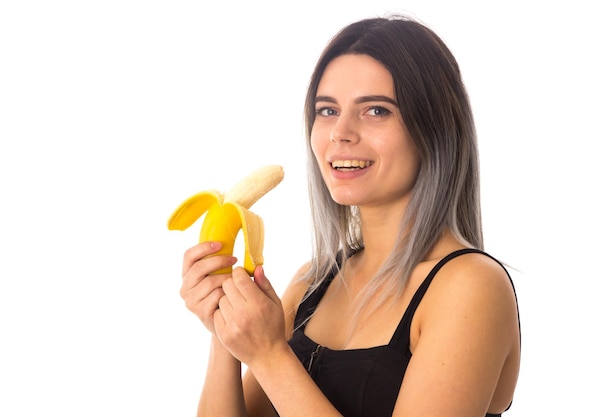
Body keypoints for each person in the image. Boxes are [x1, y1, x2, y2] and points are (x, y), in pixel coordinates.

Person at [178, 14, 521, 417]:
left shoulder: (471, 286)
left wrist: (271, 356)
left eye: (375, 110)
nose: (341, 132)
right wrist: (226, 336)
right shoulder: (313, 281)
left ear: (434, 128)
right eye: (327, 111)